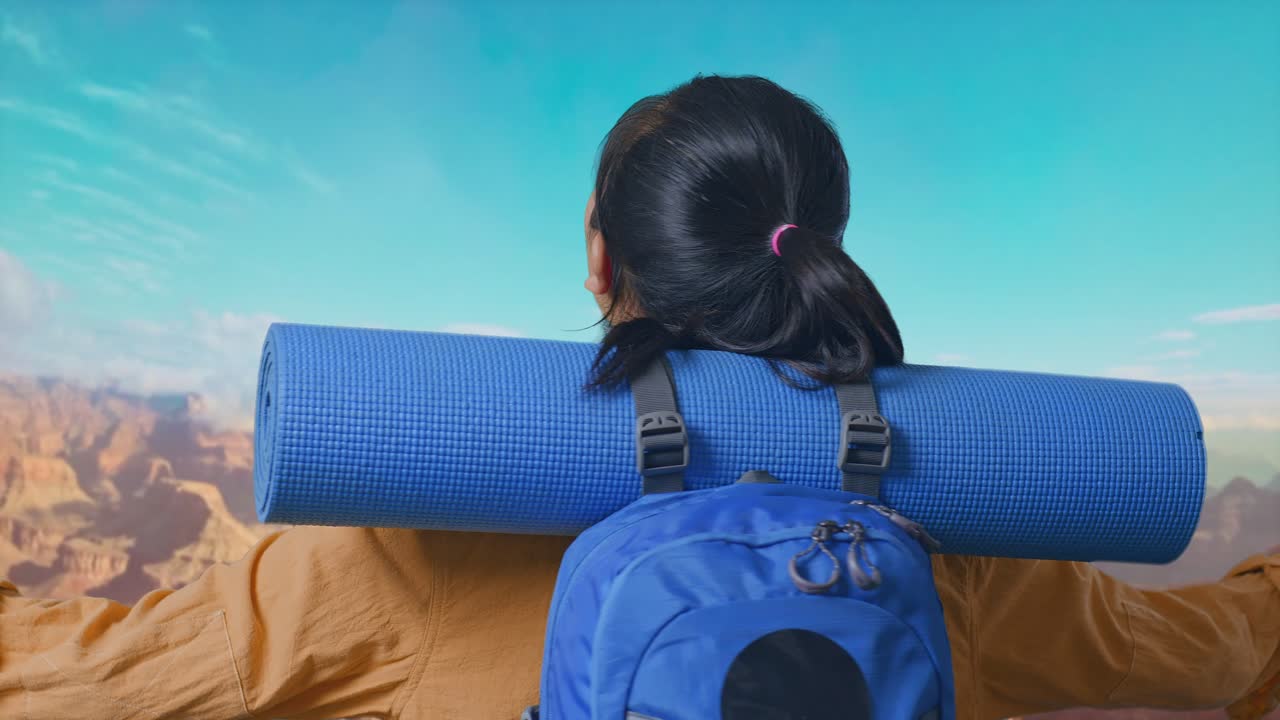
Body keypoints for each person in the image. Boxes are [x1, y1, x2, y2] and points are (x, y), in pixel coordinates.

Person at [2, 74, 1277, 720]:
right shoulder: (959, 542)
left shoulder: (410, 550)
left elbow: (84, 683)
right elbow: (1210, 653)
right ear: (817, 248)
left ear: (601, 256)